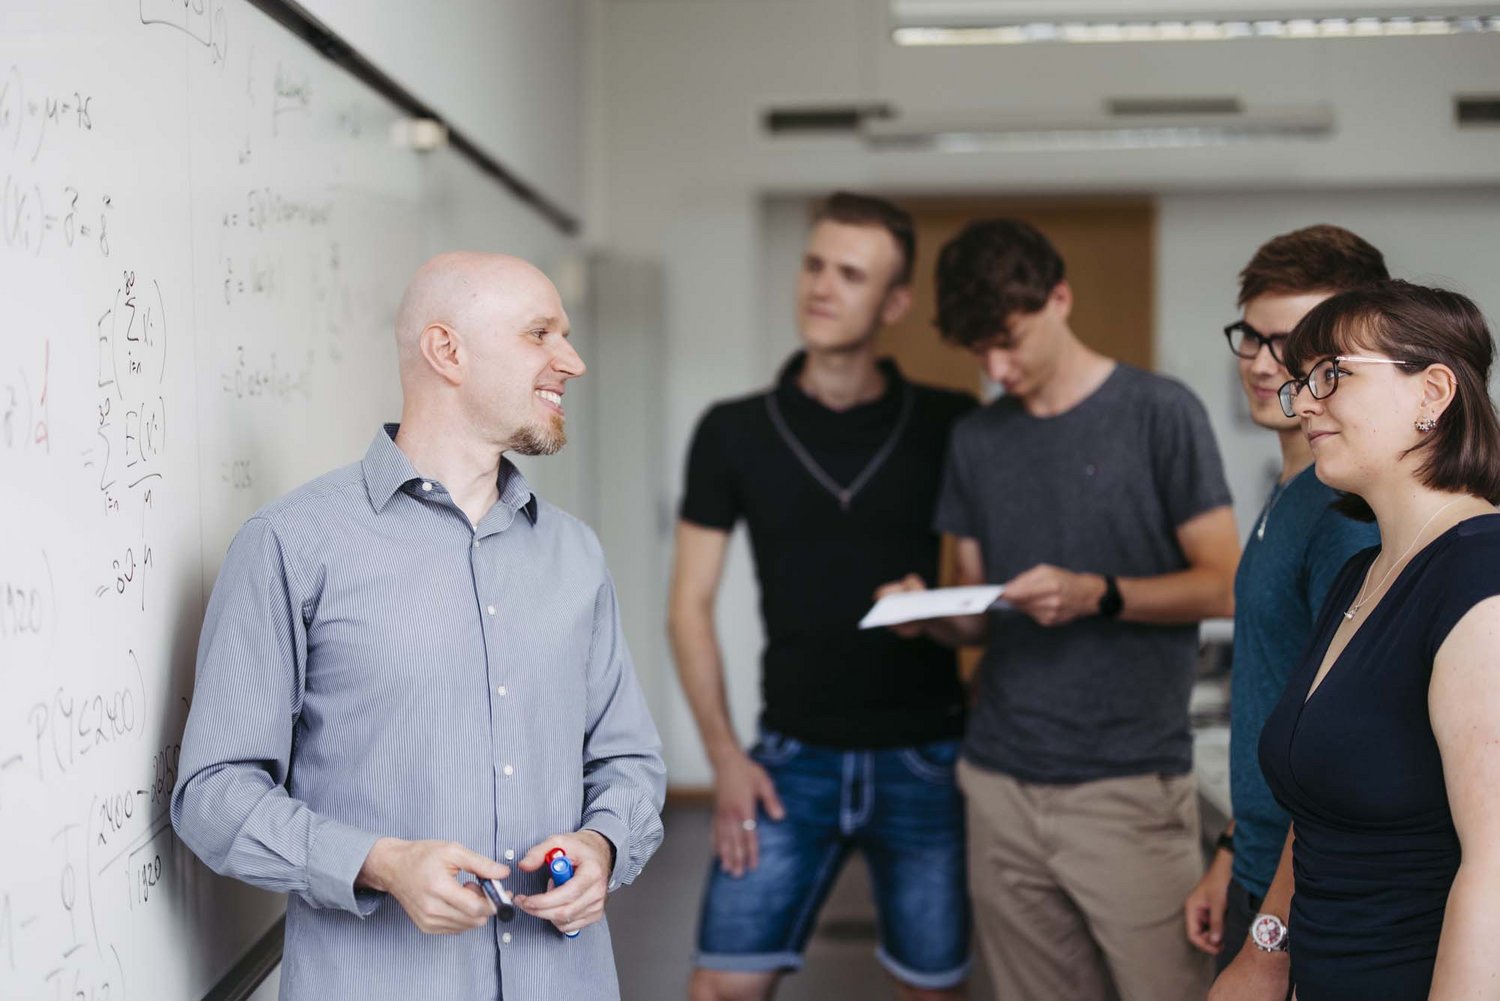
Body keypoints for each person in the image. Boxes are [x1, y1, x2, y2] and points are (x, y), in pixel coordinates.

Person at [171, 253, 666, 1001]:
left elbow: (628, 760)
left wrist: (602, 844)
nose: (572, 360)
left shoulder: (575, 554)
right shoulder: (290, 544)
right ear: (447, 351)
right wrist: (379, 862)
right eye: (541, 334)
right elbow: (212, 794)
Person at [880, 218, 1240, 1001]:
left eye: (1009, 341)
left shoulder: (1161, 412)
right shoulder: (978, 439)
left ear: (1061, 298)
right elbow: (979, 612)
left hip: (1128, 787)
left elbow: (1224, 583)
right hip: (1000, 782)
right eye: (980, 351)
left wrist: (1098, 593)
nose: (997, 367)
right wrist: (927, 612)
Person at [671, 192, 976, 1001]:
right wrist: (723, 756)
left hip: (926, 758)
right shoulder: (733, 430)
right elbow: (688, 604)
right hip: (787, 760)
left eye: (851, 273)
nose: (822, 286)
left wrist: (936, 611)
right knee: (719, 987)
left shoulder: (952, 423)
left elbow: (982, 610)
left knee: (935, 990)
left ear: (895, 301)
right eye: (813, 264)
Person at [1253, 280, 1500, 1001]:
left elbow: (1494, 867)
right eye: (1303, 382)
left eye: (1333, 373)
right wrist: (1271, 956)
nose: (1303, 402)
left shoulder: (1481, 575)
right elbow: (1324, 812)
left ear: (1433, 392)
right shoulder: (1364, 571)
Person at [1182, 226, 1384, 977]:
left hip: (1307, 894)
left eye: (1295, 341)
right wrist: (1234, 852)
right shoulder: (1290, 491)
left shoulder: (1343, 513)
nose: (1268, 364)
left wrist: (1270, 936)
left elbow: (1341, 747)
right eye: (1253, 337)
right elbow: (1279, 703)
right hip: (1262, 865)